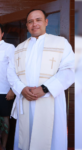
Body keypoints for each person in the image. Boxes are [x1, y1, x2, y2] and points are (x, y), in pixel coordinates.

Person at [7, 9, 74, 150]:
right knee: (26, 137)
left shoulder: (61, 43)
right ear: (26, 25)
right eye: (30, 21)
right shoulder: (19, 48)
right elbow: (11, 73)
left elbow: (69, 70)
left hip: (50, 101)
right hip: (26, 99)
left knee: (51, 140)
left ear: (46, 22)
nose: (34, 24)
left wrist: (44, 89)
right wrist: (21, 89)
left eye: (38, 20)